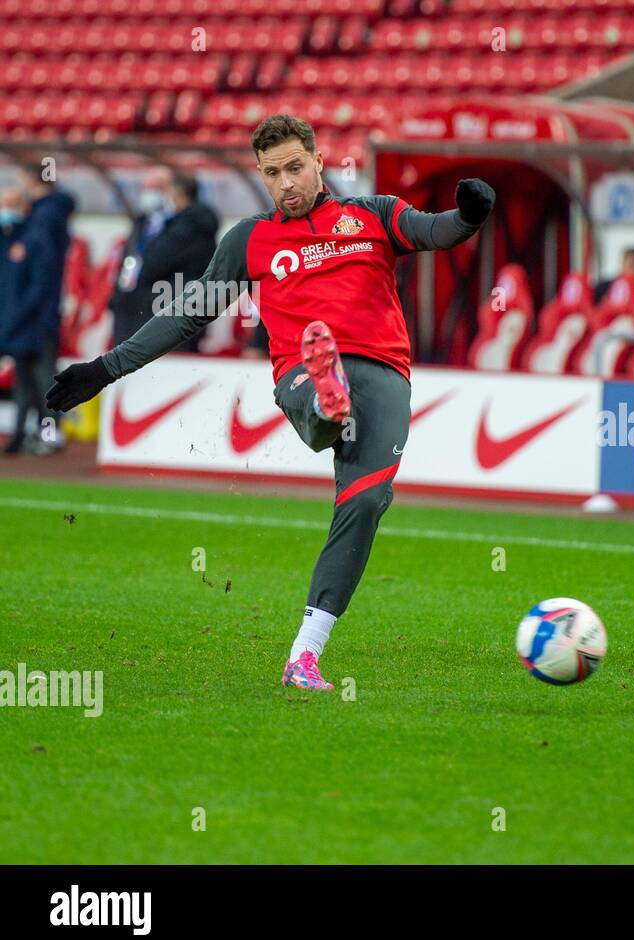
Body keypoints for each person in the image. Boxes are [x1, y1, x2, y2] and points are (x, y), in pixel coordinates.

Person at [46, 114, 496, 692]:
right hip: (301, 375)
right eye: (271, 174)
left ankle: (302, 657)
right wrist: (106, 367)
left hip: (384, 375)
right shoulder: (251, 239)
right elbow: (188, 313)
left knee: (365, 504)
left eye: (294, 168)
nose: (285, 183)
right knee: (320, 406)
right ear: (261, 176)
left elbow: (437, 231)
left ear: (316, 159)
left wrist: (470, 215)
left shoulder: (374, 214)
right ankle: (326, 401)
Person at [109, 168, 219, 351]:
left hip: (170, 319)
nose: (150, 195)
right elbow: (131, 263)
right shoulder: (146, 224)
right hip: (134, 314)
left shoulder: (191, 226)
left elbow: (154, 264)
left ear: (177, 191)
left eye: (158, 188)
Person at [0, 186, 61, 454]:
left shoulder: (35, 239)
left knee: (41, 382)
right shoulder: (7, 239)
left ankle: (48, 435)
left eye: (11, 203)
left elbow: (39, 287)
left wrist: (15, 318)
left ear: (24, 207)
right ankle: (20, 434)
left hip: (36, 326)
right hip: (13, 325)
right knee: (23, 382)